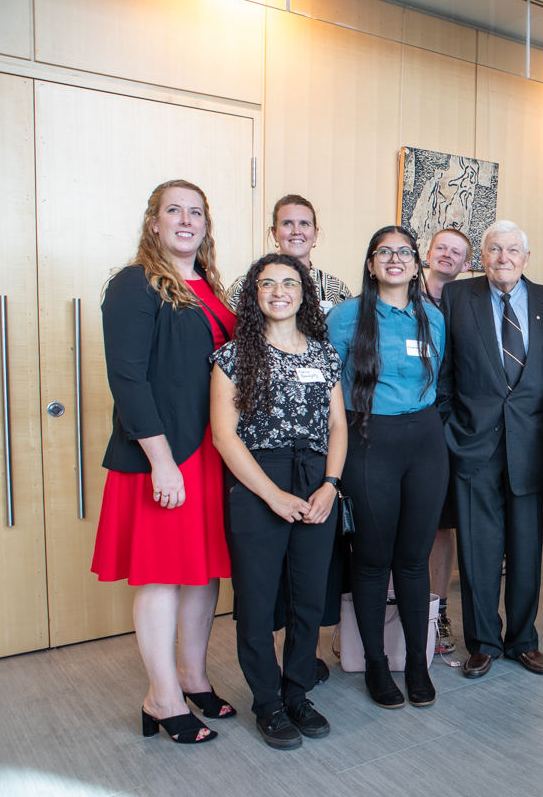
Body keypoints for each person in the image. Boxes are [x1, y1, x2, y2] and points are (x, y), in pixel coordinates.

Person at [93, 180, 235, 744]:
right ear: (153, 222)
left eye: (195, 212)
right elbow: (126, 377)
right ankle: (161, 697)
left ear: (205, 225)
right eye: (173, 210)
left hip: (211, 451)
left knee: (202, 572)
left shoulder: (209, 285)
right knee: (161, 576)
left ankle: (193, 677)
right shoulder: (134, 284)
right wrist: (161, 461)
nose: (185, 220)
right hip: (164, 453)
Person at [210, 254, 347, 749]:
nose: (279, 290)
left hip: (316, 480)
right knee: (258, 599)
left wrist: (330, 484)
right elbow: (225, 438)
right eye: (267, 283)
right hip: (257, 479)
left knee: (309, 598)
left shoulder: (326, 355)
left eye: (290, 282)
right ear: (254, 295)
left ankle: (297, 694)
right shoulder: (233, 355)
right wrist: (271, 495)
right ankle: (267, 701)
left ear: (305, 293)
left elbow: (337, 426)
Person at [437, 220, 543, 679]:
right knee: (478, 550)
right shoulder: (457, 298)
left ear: (526, 258)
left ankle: (523, 641)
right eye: (494, 249)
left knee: (527, 551)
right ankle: (484, 642)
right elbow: (444, 372)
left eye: (512, 250)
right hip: (473, 444)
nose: (503, 258)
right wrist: (452, 428)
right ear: (482, 257)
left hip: (531, 448)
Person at [328, 226, 447, 709]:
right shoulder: (345, 317)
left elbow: (441, 381)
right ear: (372, 263)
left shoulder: (433, 318)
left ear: (416, 264)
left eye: (404, 252)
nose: (394, 259)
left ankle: (416, 663)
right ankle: (376, 662)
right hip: (367, 439)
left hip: (424, 442)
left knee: (415, 561)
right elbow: (329, 392)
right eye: (384, 252)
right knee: (373, 559)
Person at [423, 227, 473, 655]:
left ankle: (436, 615)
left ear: (466, 264)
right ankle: (392, 615)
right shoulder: (398, 293)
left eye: (456, 252)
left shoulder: (466, 305)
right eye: (441, 248)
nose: (447, 256)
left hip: (451, 429)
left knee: (441, 526)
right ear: (427, 252)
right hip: (401, 425)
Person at [225, 194, 352, 313]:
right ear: (275, 233)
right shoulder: (244, 287)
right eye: (287, 223)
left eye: (304, 224)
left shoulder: (336, 290)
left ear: (315, 234)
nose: (296, 231)